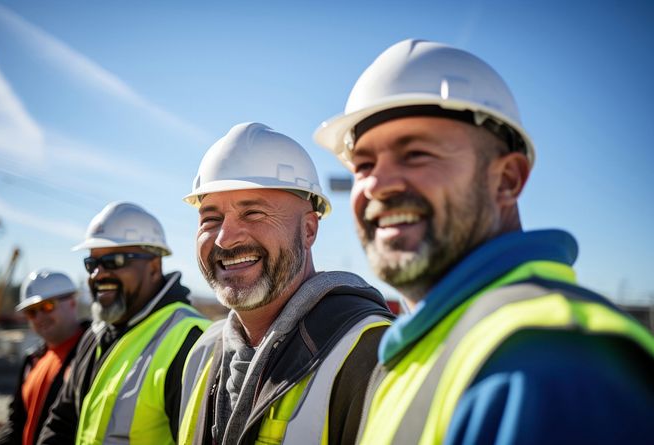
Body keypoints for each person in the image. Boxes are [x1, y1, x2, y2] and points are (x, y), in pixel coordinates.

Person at [314, 39, 654, 444]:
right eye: (364, 164)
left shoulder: (550, 362)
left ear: (507, 180)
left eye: (417, 154)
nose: (377, 186)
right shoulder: (427, 347)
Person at [177, 122, 394, 445]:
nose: (224, 238)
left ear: (309, 230)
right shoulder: (202, 353)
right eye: (211, 218)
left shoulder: (370, 353)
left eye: (253, 213)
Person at [38, 201, 210, 445]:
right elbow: (62, 422)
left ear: (153, 267)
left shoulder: (190, 339)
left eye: (114, 261)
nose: (98, 275)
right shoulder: (95, 334)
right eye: (92, 264)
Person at [0, 269, 88, 445]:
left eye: (47, 306)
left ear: (72, 302)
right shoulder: (32, 360)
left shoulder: (92, 355)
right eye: (31, 312)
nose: (38, 317)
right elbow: (16, 422)